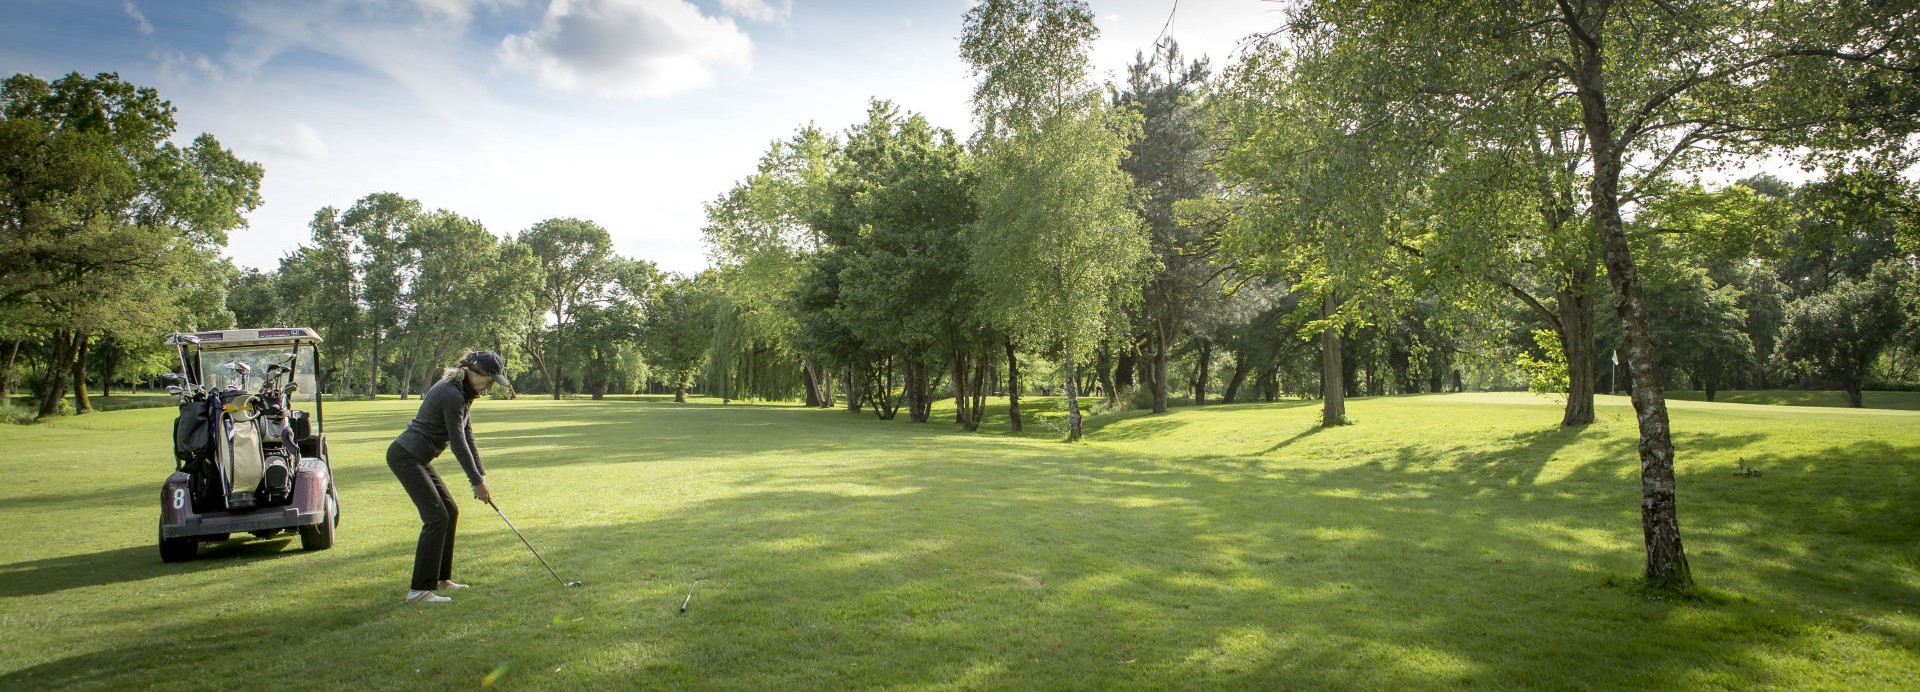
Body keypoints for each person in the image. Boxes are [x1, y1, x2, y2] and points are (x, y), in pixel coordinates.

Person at [388, 350, 510, 604]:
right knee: (436, 517)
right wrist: (475, 482)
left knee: (450, 512)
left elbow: (468, 436)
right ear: (474, 372)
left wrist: (481, 475)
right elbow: (457, 444)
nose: (488, 387)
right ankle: (419, 591)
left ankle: (441, 579)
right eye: (488, 381)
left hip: (418, 458)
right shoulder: (451, 394)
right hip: (406, 457)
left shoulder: (465, 393)